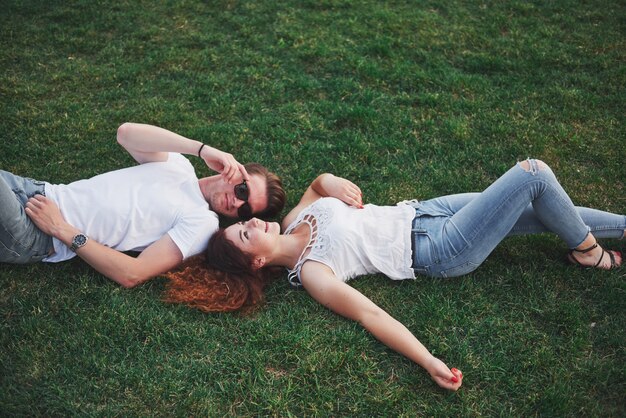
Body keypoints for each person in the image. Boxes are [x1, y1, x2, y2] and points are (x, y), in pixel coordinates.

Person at [164, 158, 624, 391]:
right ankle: (588, 252)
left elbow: (316, 186)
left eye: (243, 223)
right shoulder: (314, 275)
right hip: (441, 248)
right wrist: (428, 361)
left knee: (537, 204)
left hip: (427, 211)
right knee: (532, 174)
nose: (251, 222)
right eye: (246, 236)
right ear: (257, 263)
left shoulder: (289, 221)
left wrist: (329, 181)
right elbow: (371, 316)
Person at [0, 123, 285, 288]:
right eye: (243, 189)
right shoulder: (179, 165)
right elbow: (126, 133)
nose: (236, 202)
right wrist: (203, 150)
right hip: (35, 189)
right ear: (236, 170)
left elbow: (132, 273)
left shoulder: (201, 222)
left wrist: (61, 229)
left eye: (245, 211)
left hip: (37, 233)